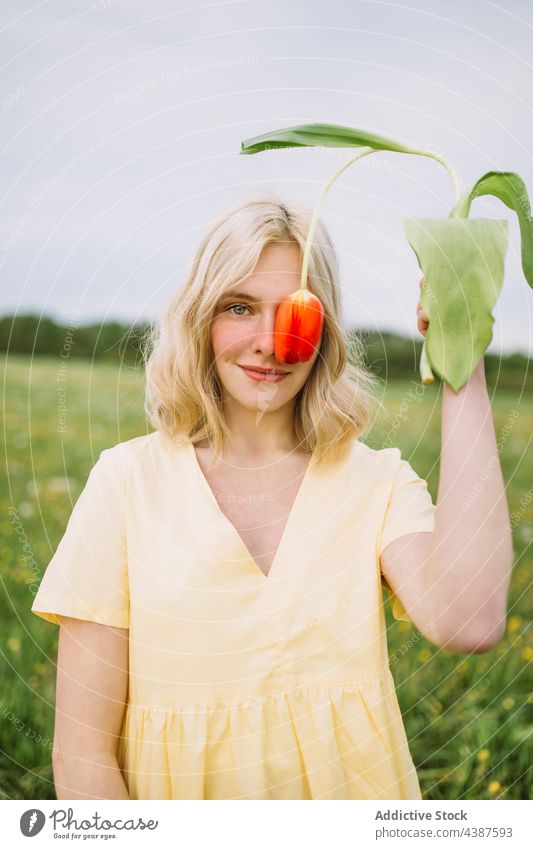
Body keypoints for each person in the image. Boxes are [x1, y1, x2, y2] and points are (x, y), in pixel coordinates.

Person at [31, 195, 513, 800]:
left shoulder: (376, 484)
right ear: (199, 321)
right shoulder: (126, 483)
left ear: (328, 331)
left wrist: (460, 361)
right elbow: (82, 754)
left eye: (296, 313)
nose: (271, 341)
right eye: (239, 307)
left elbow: (469, 619)